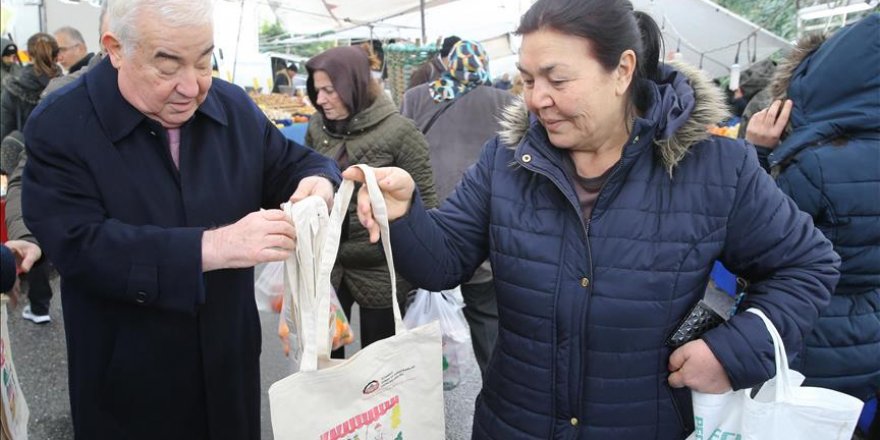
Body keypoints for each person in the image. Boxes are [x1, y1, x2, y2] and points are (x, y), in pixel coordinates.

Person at [344, 0, 839, 438]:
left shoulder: (715, 168)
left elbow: (807, 266)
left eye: (557, 79)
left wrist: (735, 352)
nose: (537, 98)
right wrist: (405, 215)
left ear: (622, 71)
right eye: (527, 79)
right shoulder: (506, 160)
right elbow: (444, 261)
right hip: (515, 421)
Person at [20, 0, 339, 438]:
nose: (192, 87)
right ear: (115, 49)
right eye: (167, 66)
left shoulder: (231, 107)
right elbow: (78, 246)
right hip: (129, 388)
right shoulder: (61, 126)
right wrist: (212, 247)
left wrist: (319, 182)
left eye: (205, 60)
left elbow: (295, 163)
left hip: (230, 372)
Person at [745, 13, 879, 437]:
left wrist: (756, 154)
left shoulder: (813, 165)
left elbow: (754, 247)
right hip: (869, 340)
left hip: (805, 338)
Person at [304, 45, 437, 357]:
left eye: (329, 90)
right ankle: (334, 407)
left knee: (377, 366)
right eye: (317, 91)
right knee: (326, 359)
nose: (320, 100)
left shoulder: (400, 131)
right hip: (329, 265)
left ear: (354, 86)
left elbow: (426, 203)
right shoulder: (316, 127)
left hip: (379, 269)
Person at [400, 40, 513, 376]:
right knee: (486, 317)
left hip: (427, 221)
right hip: (484, 226)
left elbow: (402, 149)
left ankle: (415, 389)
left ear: (449, 64)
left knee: (422, 316)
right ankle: (497, 388)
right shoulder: (507, 102)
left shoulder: (418, 97)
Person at [0, 33, 61, 140]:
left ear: (28, 55)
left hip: (26, 153)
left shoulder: (13, 88)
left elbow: (5, 132)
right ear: (57, 56)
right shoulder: (70, 86)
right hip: (61, 154)